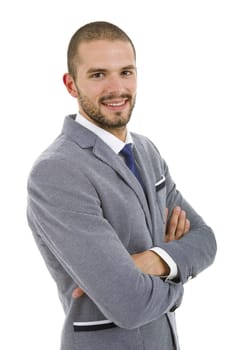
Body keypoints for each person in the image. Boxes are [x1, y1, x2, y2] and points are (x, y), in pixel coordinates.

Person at [27, 21, 217, 350]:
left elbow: (206, 240)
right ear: (71, 85)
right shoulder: (57, 171)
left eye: (126, 72)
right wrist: (179, 276)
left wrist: (153, 260)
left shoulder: (146, 151)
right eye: (99, 75)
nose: (117, 88)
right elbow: (130, 304)